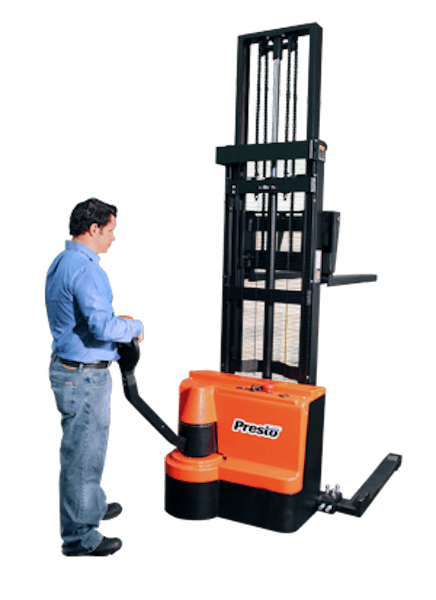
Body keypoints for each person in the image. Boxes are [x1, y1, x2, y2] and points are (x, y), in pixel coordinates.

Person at [45, 197, 144, 557]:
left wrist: (116, 325)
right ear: (93, 228)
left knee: (86, 451)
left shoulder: (61, 261)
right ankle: (80, 539)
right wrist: (134, 327)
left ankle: (93, 506)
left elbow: (82, 318)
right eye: (110, 230)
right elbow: (102, 327)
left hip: (70, 370)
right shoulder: (88, 271)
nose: (113, 238)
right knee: (84, 458)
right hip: (85, 378)